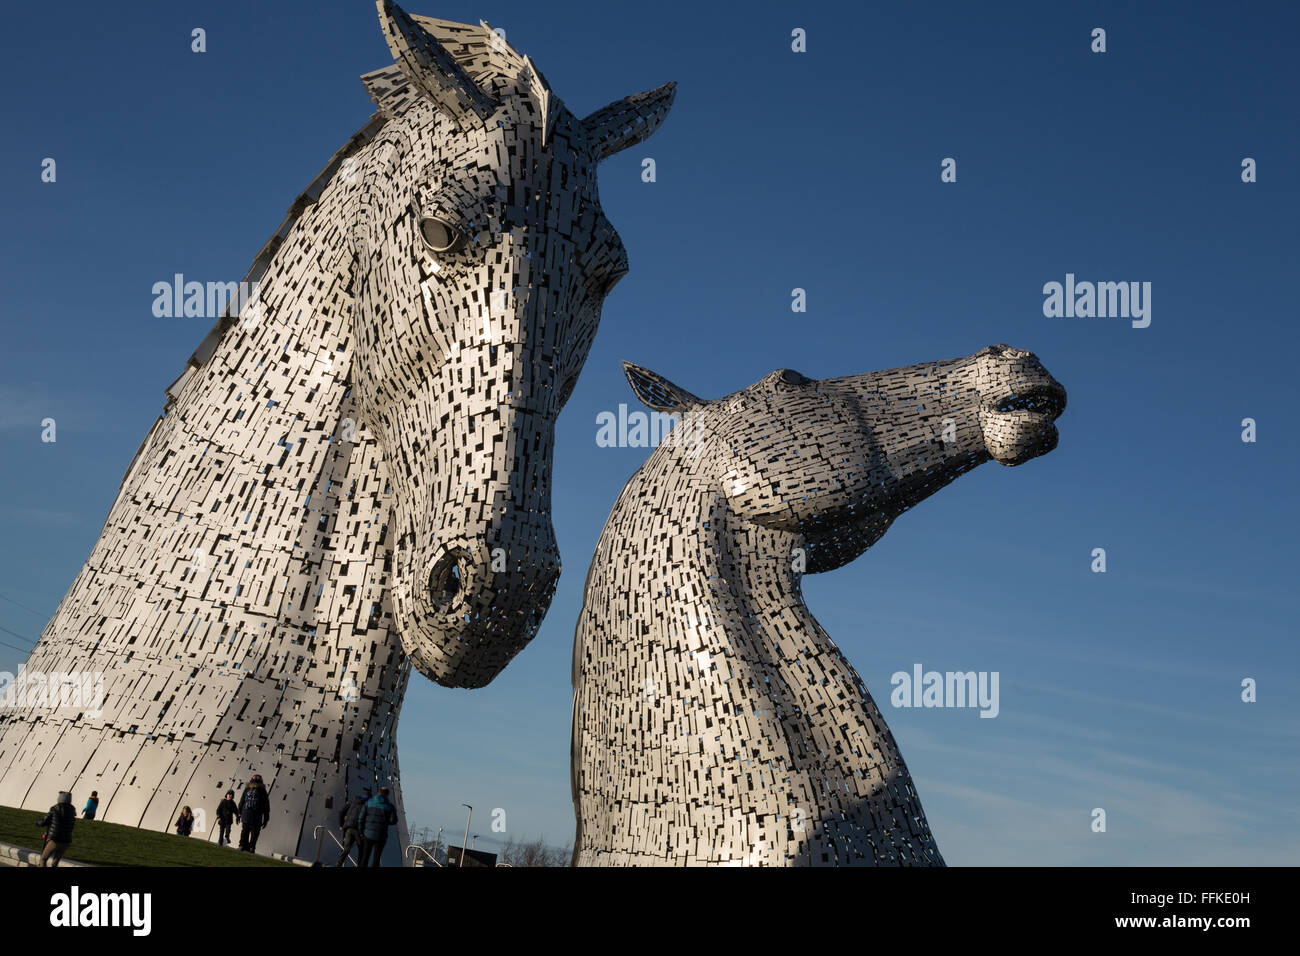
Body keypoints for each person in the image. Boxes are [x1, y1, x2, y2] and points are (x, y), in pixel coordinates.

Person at [356, 785, 398, 867]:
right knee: (377, 858)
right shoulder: (390, 806)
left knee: (365, 856)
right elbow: (394, 820)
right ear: (387, 794)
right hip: (381, 835)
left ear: (378, 792)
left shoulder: (369, 802)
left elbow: (361, 818)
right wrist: (385, 822)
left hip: (368, 834)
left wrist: (361, 831)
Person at [36, 792, 76, 867]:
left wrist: (38, 821)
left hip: (55, 840)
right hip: (66, 841)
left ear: (60, 799)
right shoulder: (72, 811)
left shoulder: (55, 808)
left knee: (43, 859)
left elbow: (43, 822)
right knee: (55, 863)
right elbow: (72, 826)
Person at [335, 787, 370, 866]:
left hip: (349, 828)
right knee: (362, 850)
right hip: (359, 830)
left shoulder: (354, 801)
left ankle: (338, 864)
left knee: (346, 848)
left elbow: (341, 811)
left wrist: (341, 824)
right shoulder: (368, 804)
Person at [237, 773, 271, 852]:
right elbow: (266, 805)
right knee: (254, 833)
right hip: (256, 816)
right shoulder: (262, 791)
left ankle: (243, 846)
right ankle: (250, 847)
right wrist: (266, 818)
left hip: (247, 815)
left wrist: (239, 813)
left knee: (245, 831)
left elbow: (242, 801)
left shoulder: (248, 789)